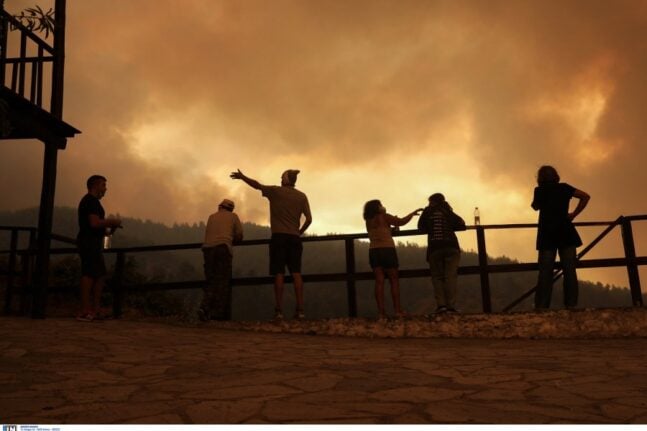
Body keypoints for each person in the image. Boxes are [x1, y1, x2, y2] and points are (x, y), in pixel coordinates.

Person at [230, 169, 312, 320]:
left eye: (282, 177)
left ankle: (279, 310)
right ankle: (300, 310)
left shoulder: (275, 191)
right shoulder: (302, 196)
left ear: (285, 180)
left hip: (279, 237)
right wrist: (299, 232)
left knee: (279, 273)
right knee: (296, 273)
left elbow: (257, 185)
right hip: (294, 238)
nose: (280, 179)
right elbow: (309, 219)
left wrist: (242, 177)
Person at [532, 165, 590, 310]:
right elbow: (585, 196)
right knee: (570, 270)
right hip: (566, 232)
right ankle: (571, 304)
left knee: (545, 272)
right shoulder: (564, 188)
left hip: (547, 234)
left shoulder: (539, 191)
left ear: (540, 178)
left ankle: (542, 306)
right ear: (556, 176)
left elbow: (535, 206)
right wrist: (574, 214)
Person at [363, 199, 422, 320]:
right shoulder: (384, 216)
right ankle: (398, 310)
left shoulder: (368, 221)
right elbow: (401, 222)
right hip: (387, 250)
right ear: (377, 207)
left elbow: (382, 231)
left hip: (373, 251)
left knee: (379, 281)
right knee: (393, 280)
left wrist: (392, 229)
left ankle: (381, 313)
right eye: (380, 205)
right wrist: (412, 214)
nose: (383, 206)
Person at [76, 175, 122, 321]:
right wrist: (111, 221)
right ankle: (85, 311)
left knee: (100, 275)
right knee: (89, 274)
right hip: (88, 242)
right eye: (103, 185)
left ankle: (95, 309)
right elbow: (94, 223)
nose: (105, 189)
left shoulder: (92, 202)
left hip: (93, 243)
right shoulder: (90, 201)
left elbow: (103, 230)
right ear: (95, 186)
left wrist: (111, 228)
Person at [417, 193, 466, 314]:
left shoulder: (428, 212)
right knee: (450, 277)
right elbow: (461, 224)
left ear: (432, 202)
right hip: (451, 246)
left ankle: (441, 306)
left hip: (435, 248)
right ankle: (451, 306)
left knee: (437, 277)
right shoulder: (447, 211)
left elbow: (420, 227)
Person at [199, 199, 243, 321]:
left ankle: (204, 307)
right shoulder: (233, 216)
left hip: (207, 249)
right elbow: (239, 235)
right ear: (231, 209)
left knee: (211, 280)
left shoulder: (211, 217)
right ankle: (217, 315)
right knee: (222, 281)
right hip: (223, 248)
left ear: (220, 207)